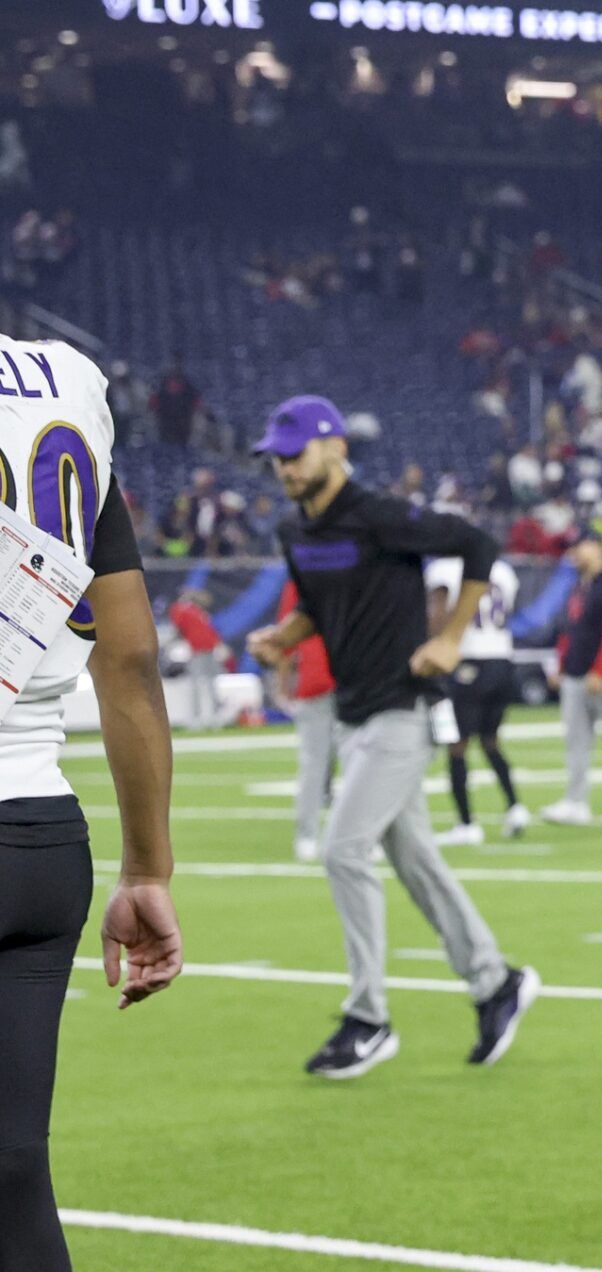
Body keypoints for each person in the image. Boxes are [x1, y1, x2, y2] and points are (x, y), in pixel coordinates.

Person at [246, 395, 538, 1079]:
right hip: (354, 716)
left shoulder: (380, 516)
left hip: (402, 713)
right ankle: (495, 984)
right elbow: (319, 606)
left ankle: (368, 1020)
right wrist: (282, 639)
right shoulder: (296, 532)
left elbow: (478, 546)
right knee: (416, 863)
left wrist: (451, 638)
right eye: (276, 458)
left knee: (343, 851)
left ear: (335, 447)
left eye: (295, 453)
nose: (285, 468)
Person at [0, 335, 182, 1268]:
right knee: (15, 1173)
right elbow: (131, 657)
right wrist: (148, 865)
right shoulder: (65, 380)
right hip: (38, 838)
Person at [425, 551, 530, 846]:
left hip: (467, 662)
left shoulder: (444, 568)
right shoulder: (503, 570)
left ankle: (466, 823)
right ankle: (515, 806)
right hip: (502, 660)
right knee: (490, 741)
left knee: (456, 745)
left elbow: (438, 616)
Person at [542, 530, 602, 828]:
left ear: (597, 547)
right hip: (575, 674)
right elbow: (569, 629)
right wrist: (561, 664)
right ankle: (576, 801)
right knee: (576, 741)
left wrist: (601, 670)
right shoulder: (579, 587)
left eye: (579, 545)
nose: (573, 552)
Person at [275, 578, 336, 863]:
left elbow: (286, 633)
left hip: (328, 675)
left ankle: (308, 836)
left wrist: (283, 679)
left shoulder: (302, 572)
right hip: (344, 675)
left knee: (316, 761)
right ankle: (310, 835)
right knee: (358, 757)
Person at [167, 586, 223, 728]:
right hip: (197, 650)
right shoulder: (183, 609)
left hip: (207, 649)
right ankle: (196, 718)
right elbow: (178, 628)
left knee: (209, 683)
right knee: (197, 684)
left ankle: (212, 716)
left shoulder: (197, 612)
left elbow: (208, 631)